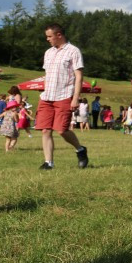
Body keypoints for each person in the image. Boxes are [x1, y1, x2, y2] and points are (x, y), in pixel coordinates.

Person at [35, 24, 90, 169]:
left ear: (59, 35)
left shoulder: (73, 51)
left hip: (64, 96)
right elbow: (47, 75)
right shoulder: (48, 52)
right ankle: (49, 163)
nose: (47, 39)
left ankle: (80, 149)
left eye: (49, 36)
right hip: (47, 96)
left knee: (61, 130)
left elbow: (79, 77)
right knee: (45, 130)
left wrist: (75, 98)